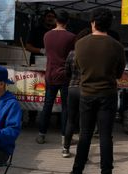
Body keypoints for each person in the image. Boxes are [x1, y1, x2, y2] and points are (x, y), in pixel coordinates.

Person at [69, 8, 126, 174]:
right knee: (105, 135)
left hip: (86, 93)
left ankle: (77, 172)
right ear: (109, 24)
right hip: (107, 93)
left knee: (84, 133)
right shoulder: (116, 46)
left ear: (92, 22)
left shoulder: (80, 44)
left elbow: (77, 68)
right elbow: (119, 73)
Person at [36, 10, 75, 146]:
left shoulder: (47, 35)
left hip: (50, 74)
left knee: (47, 105)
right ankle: (65, 137)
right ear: (67, 21)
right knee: (66, 107)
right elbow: (72, 56)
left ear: (56, 20)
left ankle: (41, 134)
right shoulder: (71, 37)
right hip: (65, 75)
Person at [62, 28, 92, 158]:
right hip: (86, 89)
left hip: (72, 89)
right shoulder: (91, 54)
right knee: (84, 122)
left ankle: (65, 149)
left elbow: (66, 72)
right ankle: (82, 152)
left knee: (70, 120)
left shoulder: (71, 54)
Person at [25, 9, 56, 125]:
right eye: (48, 16)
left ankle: (56, 116)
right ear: (44, 17)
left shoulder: (56, 31)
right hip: (36, 63)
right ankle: (32, 117)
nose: (50, 18)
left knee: (52, 91)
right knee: (35, 90)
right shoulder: (36, 30)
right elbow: (28, 46)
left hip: (53, 64)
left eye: (52, 16)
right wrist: (41, 51)